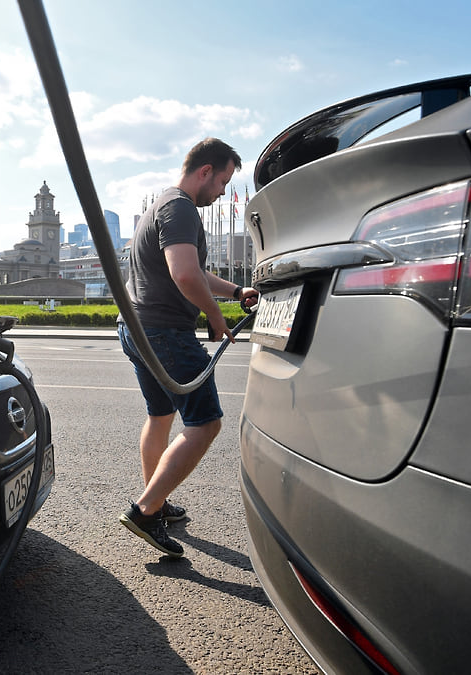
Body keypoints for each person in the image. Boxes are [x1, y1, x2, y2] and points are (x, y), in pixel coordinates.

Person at [117, 137, 258, 557]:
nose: (221, 192)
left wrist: (235, 291)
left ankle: (154, 500)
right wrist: (216, 316)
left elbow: (192, 269)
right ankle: (145, 510)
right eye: (222, 181)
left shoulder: (161, 205)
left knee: (159, 416)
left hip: (137, 327)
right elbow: (184, 274)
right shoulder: (179, 208)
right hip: (165, 333)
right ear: (205, 171)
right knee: (205, 423)